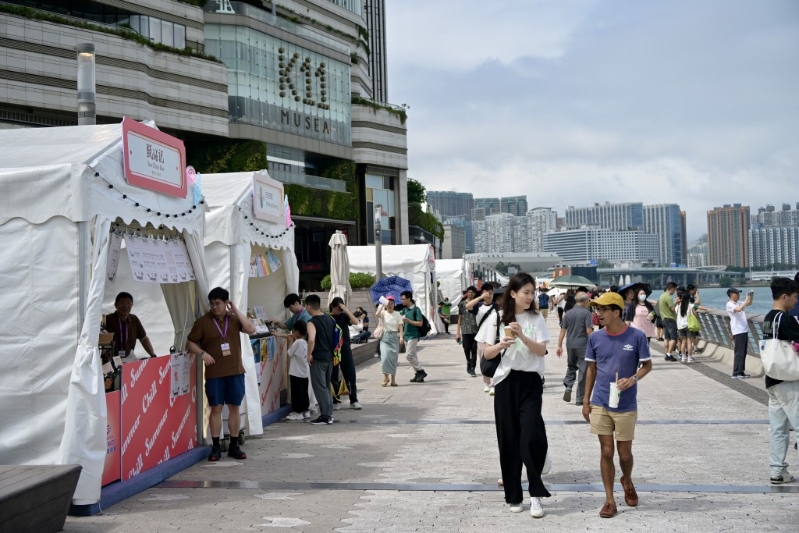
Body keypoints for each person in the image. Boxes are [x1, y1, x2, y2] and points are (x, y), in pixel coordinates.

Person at [483, 273, 550, 518]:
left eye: (532, 293)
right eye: (526, 292)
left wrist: (522, 335)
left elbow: (542, 350)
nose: (530, 297)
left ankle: (536, 496)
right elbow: (487, 354)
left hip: (531, 381)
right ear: (513, 293)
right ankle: (513, 494)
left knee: (531, 436)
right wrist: (501, 345)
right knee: (509, 439)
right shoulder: (497, 317)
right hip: (505, 382)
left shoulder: (536, 317)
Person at [582, 291, 653, 518]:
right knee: (606, 451)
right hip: (601, 401)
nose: (598, 314)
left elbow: (647, 366)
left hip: (626, 403)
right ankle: (609, 499)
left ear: (616, 312)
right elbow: (591, 370)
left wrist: (632, 379)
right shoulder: (595, 338)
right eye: (597, 310)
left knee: (624, 454)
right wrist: (586, 401)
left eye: (602, 310)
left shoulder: (636, 337)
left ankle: (627, 479)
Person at [186, 287, 256, 461]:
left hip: (235, 371)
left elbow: (251, 329)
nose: (214, 307)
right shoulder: (203, 322)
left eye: (218, 303)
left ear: (226, 303)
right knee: (216, 408)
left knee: (234, 407)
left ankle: (234, 445)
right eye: (212, 304)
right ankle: (216, 445)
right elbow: (190, 343)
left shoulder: (233, 319)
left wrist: (235, 310)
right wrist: (202, 353)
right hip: (214, 373)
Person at [762, 277, 799, 484]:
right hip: (789, 379)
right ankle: (778, 470)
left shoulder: (768, 317)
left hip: (772, 379)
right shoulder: (785, 319)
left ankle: (777, 470)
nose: (795, 301)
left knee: (778, 429)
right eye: (794, 297)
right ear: (784, 296)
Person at [557, 291, 593, 405]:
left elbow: (563, 330)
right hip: (583, 345)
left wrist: (559, 345)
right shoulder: (587, 313)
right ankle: (580, 398)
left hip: (570, 345)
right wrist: (594, 345)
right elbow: (589, 331)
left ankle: (568, 387)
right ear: (585, 301)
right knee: (583, 371)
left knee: (571, 366)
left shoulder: (568, 313)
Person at [305, 294, 336, 425]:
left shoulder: (312, 322)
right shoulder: (330, 319)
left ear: (308, 306)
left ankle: (325, 416)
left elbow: (311, 339)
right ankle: (329, 414)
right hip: (329, 357)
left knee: (319, 387)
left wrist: (309, 354)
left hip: (318, 357)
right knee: (326, 386)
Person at [328, 297, 362, 410]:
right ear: (332, 306)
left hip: (345, 349)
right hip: (333, 351)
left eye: (340, 307)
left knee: (350, 374)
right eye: (338, 307)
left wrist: (346, 310)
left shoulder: (344, 315)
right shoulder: (328, 318)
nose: (339, 309)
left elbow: (355, 322)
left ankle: (354, 400)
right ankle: (336, 400)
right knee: (333, 375)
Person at [103, 292, 158, 359]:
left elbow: (143, 338)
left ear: (132, 305)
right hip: (111, 359)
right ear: (115, 305)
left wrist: (153, 355)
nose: (126, 306)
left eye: (129, 303)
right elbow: (102, 342)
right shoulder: (108, 319)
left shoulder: (134, 319)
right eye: (122, 303)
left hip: (129, 358)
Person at [466, 284, 496, 378]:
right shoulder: (478, 306)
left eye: (491, 293)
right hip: (482, 337)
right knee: (484, 359)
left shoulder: (497, 306)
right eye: (487, 293)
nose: (489, 295)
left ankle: (493, 382)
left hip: (495, 337)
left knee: (495, 359)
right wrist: (481, 297)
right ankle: (487, 381)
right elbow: (468, 306)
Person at [400, 291, 429, 383]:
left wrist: (408, 321)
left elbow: (420, 323)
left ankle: (421, 371)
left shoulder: (416, 310)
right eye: (401, 299)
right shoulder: (404, 310)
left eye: (403, 299)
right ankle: (418, 374)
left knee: (408, 355)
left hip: (414, 335)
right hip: (406, 335)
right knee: (413, 356)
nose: (402, 301)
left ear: (409, 299)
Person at [726, 287, 754, 379]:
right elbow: (738, 309)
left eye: (739, 293)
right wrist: (746, 300)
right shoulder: (729, 304)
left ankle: (741, 371)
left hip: (744, 330)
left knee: (743, 352)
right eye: (737, 293)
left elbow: (749, 303)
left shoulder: (738, 303)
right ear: (731, 295)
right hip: (738, 331)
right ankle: (736, 372)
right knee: (739, 352)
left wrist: (751, 296)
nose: (738, 295)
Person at [285, 321, 310, 422]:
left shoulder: (297, 342)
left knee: (296, 392)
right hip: (304, 372)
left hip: (296, 372)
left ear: (297, 331)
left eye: (293, 330)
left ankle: (298, 412)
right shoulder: (306, 342)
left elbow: (289, 352)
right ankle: (305, 410)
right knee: (304, 392)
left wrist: (291, 341)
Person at [376, 296, 402, 386]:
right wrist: (382, 305)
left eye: (392, 303)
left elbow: (400, 326)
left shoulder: (397, 314)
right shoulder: (383, 313)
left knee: (393, 359)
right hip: (385, 337)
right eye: (389, 304)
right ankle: (385, 377)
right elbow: (377, 315)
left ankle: (393, 380)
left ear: (394, 304)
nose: (390, 305)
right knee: (385, 358)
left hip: (394, 336)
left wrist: (401, 337)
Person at [457, 286, 479, 376]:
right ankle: (468, 362)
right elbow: (460, 318)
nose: (471, 294)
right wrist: (458, 332)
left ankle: (472, 368)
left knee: (474, 350)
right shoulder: (462, 304)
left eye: (473, 292)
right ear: (467, 293)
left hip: (476, 330)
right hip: (465, 330)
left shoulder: (477, 304)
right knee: (466, 349)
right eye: (469, 292)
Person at [658, 282, 679, 361]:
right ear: (672, 288)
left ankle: (666, 353)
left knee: (666, 338)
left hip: (664, 319)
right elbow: (673, 309)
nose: (675, 292)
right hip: (670, 319)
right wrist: (676, 305)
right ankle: (669, 354)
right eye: (675, 289)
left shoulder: (662, 296)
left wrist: (674, 303)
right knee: (674, 338)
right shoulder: (668, 297)